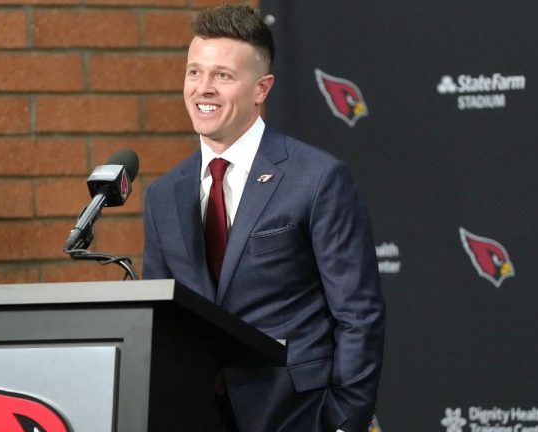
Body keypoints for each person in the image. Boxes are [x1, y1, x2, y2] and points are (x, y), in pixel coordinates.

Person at [141, 4, 385, 432]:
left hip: (297, 416)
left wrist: (343, 421)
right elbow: (161, 326)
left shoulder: (318, 178)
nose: (204, 88)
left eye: (223, 75)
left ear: (261, 88)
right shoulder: (163, 195)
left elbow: (358, 316)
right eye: (194, 72)